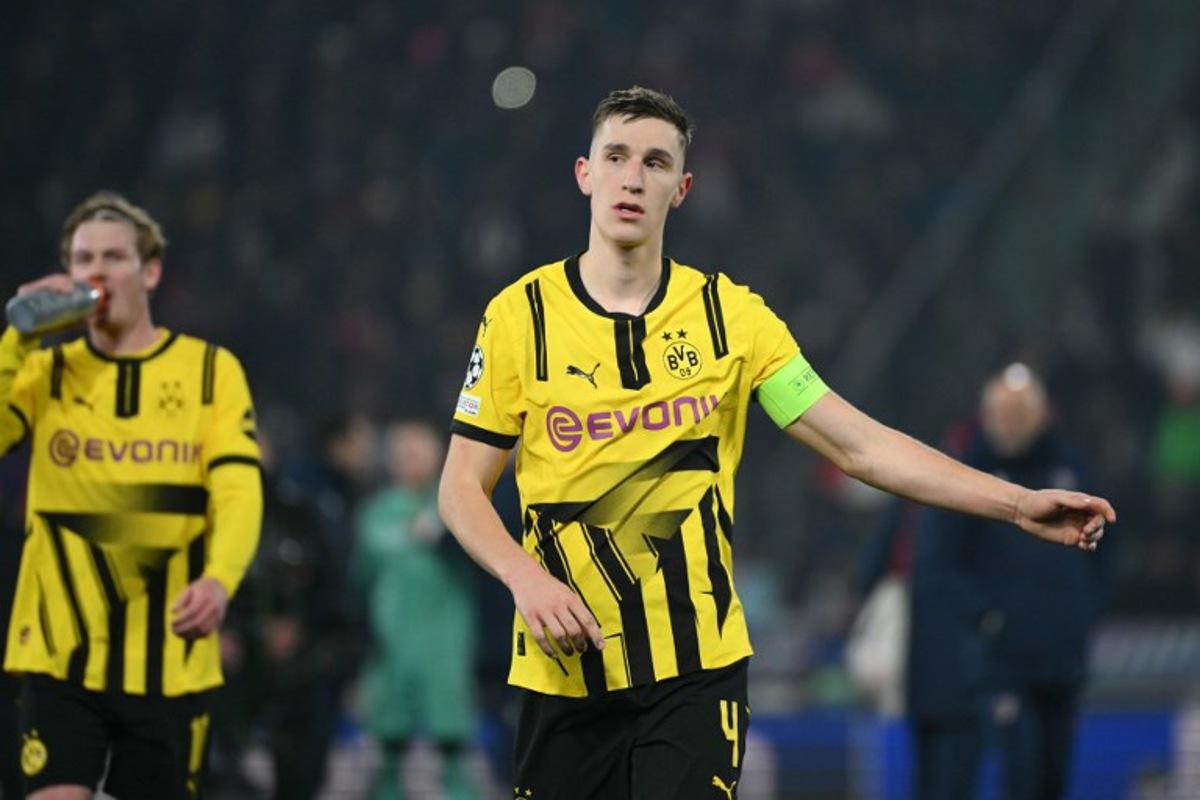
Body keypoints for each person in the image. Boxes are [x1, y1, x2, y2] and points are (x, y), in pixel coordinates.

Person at [436, 86, 1115, 799]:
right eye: (617, 157)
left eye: (656, 162)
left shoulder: (734, 320)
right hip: (562, 675)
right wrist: (526, 578)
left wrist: (1014, 505)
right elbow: (460, 487)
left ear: (683, 187)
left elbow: (859, 446)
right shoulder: (520, 319)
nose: (633, 178)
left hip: (697, 673)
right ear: (585, 174)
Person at [0, 191, 263, 799]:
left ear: (150, 271)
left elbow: (239, 490)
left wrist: (221, 579)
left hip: (171, 659)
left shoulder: (209, 372)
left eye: (114, 257)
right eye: (82, 258)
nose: (96, 271)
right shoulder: (45, 374)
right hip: (58, 654)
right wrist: (16, 337)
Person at [911, 364, 1111, 800]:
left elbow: (1107, 548)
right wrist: (988, 618)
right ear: (986, 413)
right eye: (1004, 410)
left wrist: (1084, 611)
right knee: (1020, 774)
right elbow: (940, 562)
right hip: (1003, 660)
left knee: (1053, 777)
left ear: (1043, 412)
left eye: (1023, 410)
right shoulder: (970, 473)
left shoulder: (1071, 465)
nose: (1013, 420)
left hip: (1063, 655)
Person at [353, 419, 479, 800]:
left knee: (451, 736)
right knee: (390, 737)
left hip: (444, 638)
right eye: (405, 454)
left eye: (421, 453)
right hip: (391, 640)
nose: (413, 462)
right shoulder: (376, 513)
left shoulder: (456, 508)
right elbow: (360, 577)